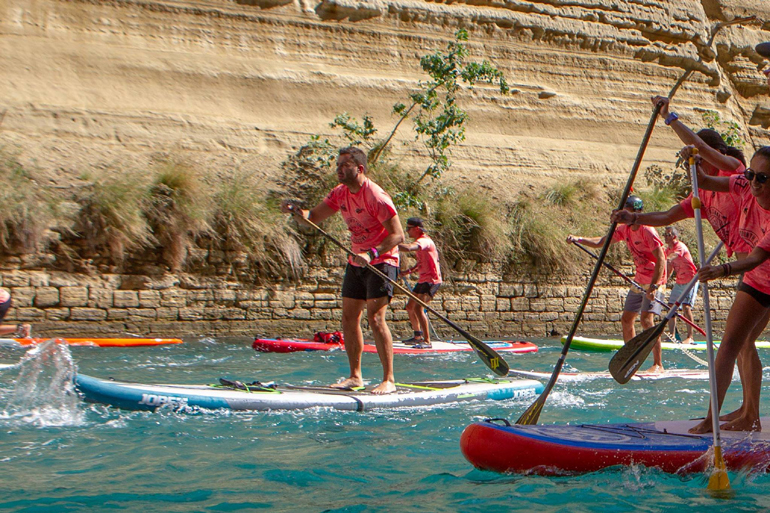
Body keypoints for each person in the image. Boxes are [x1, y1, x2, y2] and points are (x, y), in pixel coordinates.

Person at [612, 99, 763, 422]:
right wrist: (632, 218)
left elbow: (700, 148)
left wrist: (670, 118)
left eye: (699, 157)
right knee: (742, 342)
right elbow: (667, 215)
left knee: (742, 341)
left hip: (756, 266)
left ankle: (747, 413)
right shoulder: (702, 192)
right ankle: (747, 410)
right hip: (749, 270)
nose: (695, 163)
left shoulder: (736, 172)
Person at [281, 147, 404, 394]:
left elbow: (398, 235)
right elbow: (313, 216)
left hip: (382, 261)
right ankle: (355, 377)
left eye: (344, 165)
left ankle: (388, 379)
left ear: (359, 169)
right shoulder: (340, 193)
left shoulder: (376, 197)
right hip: (355, 262)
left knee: (376, 318)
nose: (338, 169)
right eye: (337, 165)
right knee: (349, 318)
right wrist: (297, 211)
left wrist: (371, 254)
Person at [689, 146, 770, 433]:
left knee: (734, 345)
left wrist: (722, 270)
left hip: (761, 276)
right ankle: (746, 416)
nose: (755, 183)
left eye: (763, 177)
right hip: (758, 281)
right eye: (751, 175)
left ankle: (721, 419)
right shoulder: (744, 187)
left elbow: (756, 258)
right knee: (735, 344)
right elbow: (707, 182)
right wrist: (695, 163)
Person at [568, 195, 667, 372]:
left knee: (646, 321)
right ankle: (631, 360)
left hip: (655, 281)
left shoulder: (647, 230)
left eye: (628, 211)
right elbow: (601, 242)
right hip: (638, 280)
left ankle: (658, 364)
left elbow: (662, 259)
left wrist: (654, 286)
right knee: (627, 319)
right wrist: (579, 239)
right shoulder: (624, 229)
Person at [398, 217, 442, 349]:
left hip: (432, 281)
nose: (407, 232)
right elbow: (422, 262)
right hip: (423, 280)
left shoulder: (425, 241)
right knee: (410, 306)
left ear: (417, 228)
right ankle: (418, 336)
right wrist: (408, 271)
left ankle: (427, 341)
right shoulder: (421, 241)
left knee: (418, 308)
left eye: (408, 229)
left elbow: (410, 248)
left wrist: (392, 243)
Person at [662, 226, 698, 344]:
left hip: (691, 280)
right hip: (679, 281)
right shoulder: (668, 250)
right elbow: (670, 267)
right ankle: (672, 336)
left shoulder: (680, 247)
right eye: (665, 235)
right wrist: (664, 281)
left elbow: (672, 257)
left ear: (674, 236)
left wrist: (663, 259)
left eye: (668, 235)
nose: (665, 237)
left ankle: (690, 337)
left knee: (686, 308)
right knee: (671, 307)